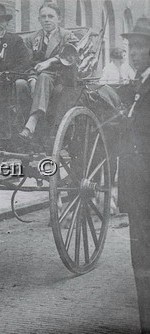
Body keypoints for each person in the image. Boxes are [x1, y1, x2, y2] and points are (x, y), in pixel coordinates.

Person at [118, 17, 150, 334]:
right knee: (140, 260)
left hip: (147, 187)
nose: (135, 52)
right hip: (137, 188)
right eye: (132, 47)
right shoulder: (138, 85)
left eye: (142, 46)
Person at [18, 2, 79, 141]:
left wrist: (50, 61)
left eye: (51, 16)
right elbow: (28, 63)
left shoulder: (67, 36)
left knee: (44, 77)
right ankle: (19, 124)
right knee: (19, 83)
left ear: (59, 18)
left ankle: (32, 121)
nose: (47, 20)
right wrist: (31, 78)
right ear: (39, 19)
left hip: (61, 78)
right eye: (43, 16)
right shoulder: (32, 39)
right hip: (37, 77)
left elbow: (72, 55)